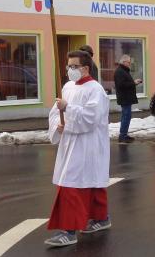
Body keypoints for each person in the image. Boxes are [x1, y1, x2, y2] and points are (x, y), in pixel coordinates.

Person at [45, 50, 110, 247]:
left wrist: (68, 109)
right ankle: (101, 218)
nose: (70, 70)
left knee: (72, 185)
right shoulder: (67, 87)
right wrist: (58, 124)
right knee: (91, 182)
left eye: (74, 66)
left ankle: (69, 231)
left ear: (85, 68)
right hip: (70, 142)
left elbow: (91, 118)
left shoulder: (95, 90)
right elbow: (54, 112)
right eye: (68, 66)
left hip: (88, 145)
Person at [113, 55, 141, 143]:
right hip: (124, 98)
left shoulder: (123, 71)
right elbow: (121, 85)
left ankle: (124, 134)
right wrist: (133, 83)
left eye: (130, 62)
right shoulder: (120, 71)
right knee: (126, 116)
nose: (130, 64)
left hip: (126, 97)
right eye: (129, 62)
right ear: (124, 62)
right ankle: (122, 136)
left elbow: (125, 83)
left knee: (126, 116)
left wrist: (133, 83)